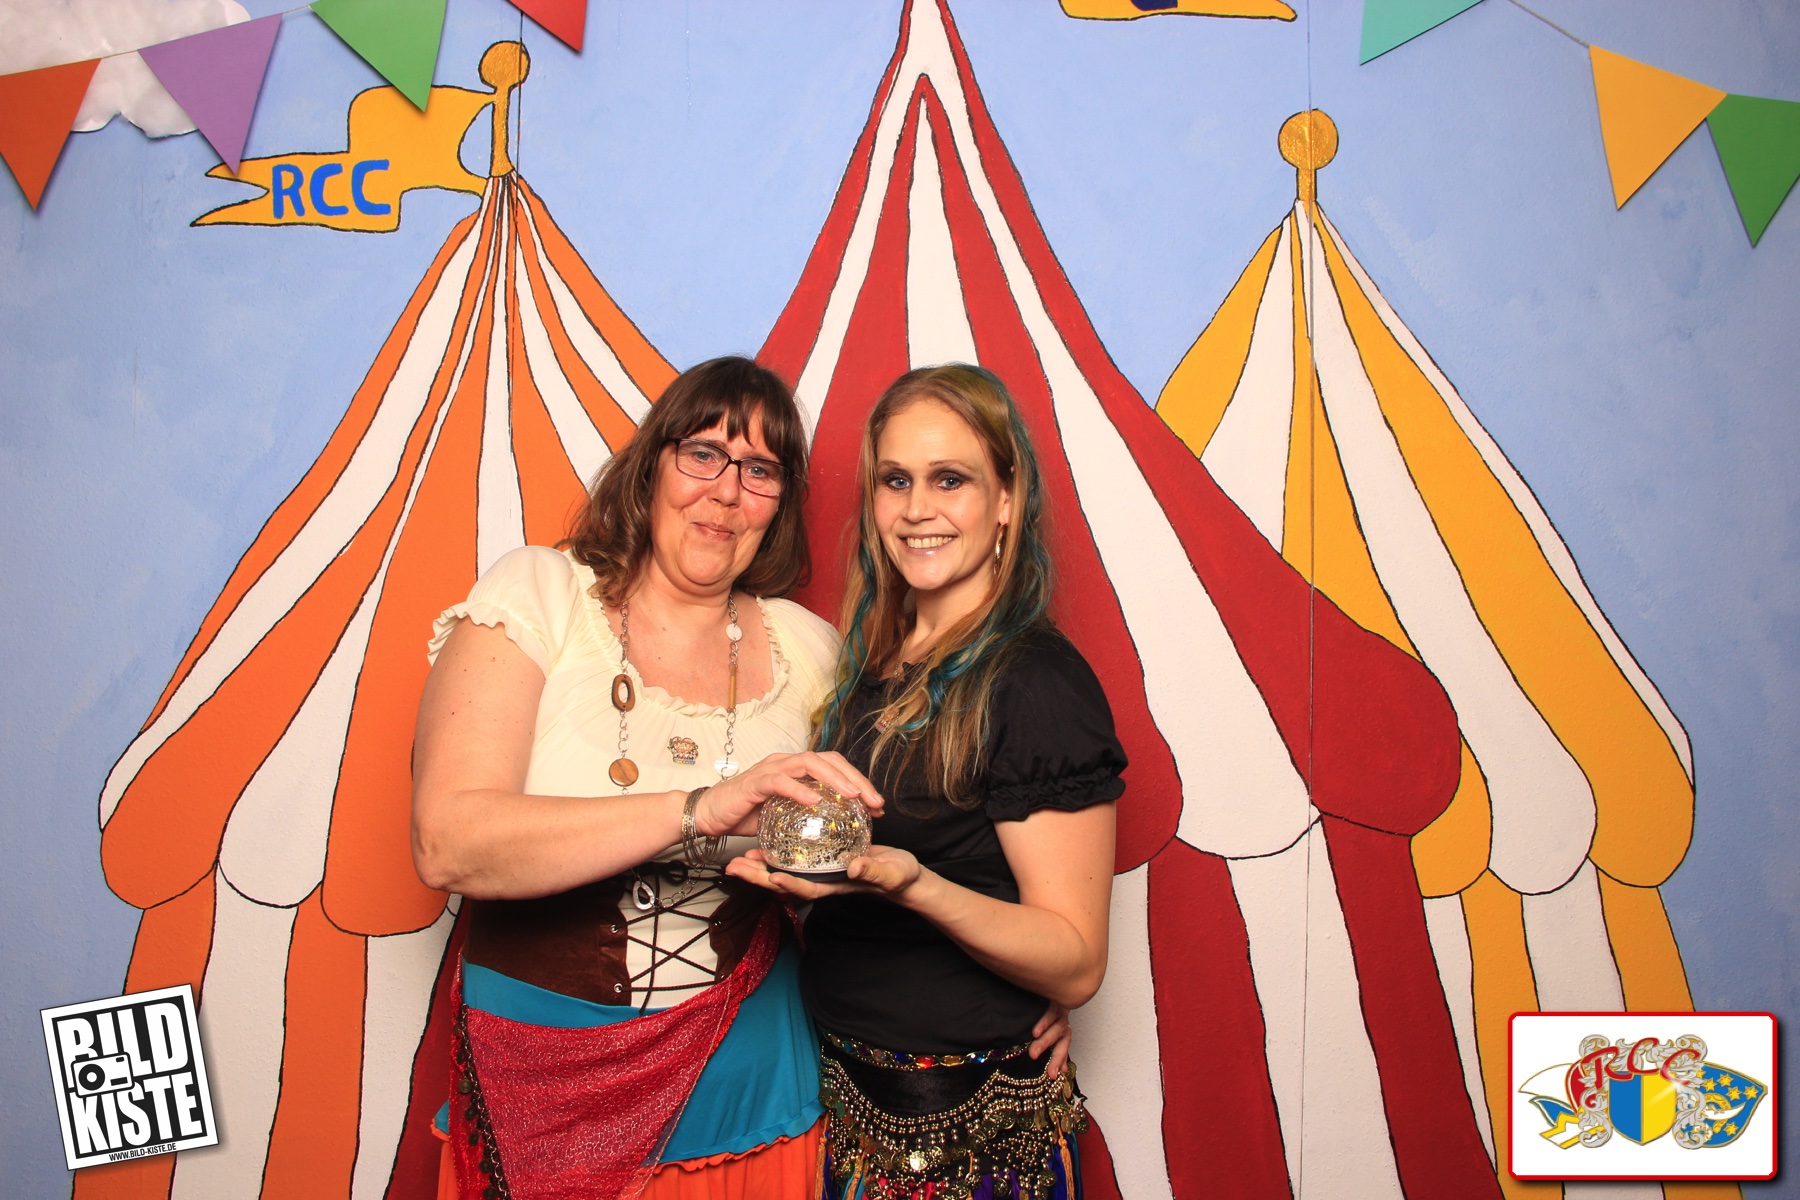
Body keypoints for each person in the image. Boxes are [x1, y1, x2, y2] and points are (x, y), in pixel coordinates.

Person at [412, 356, 881, 1199]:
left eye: (761, 470)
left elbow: (853, 861)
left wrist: (994, 1003)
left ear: (781, 502)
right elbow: (447, 844)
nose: (726, 492)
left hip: (752, 1092)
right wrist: (701, 808)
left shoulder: (809, 649)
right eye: (703, 453)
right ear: (653, 464)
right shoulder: (542, 593)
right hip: (542, 1089)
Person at [729, 364, 1125, 1200]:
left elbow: (1076, 963)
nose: (916, 508)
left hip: (971, 1140)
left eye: (951, 479)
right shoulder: (872, 663)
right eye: (895, 480)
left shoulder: (1036, 682)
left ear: (1007, 498)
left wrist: (915, 886)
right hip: (841, 1105)